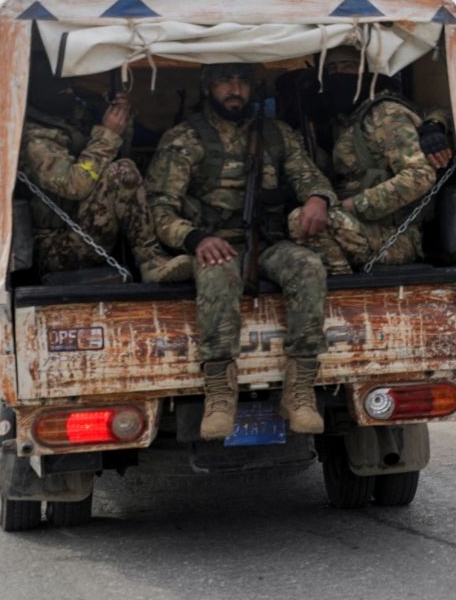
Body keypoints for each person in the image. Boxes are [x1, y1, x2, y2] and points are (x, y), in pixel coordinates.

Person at [146, 63, 337, 440]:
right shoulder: (185, 139)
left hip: (266, 241)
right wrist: (196, 238)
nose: (235, 89)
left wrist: (318, 198)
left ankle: (299, 391)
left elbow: (309, 175)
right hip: (214, 243)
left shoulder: (275, 134)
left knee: (308, 265)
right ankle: (220, 392)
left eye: (243, 81)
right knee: (218, 272)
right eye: (225, 80)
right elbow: (159, 207)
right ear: (208, 87)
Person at [19, 49, 191, 283]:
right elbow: (75, 185)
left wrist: (122, 123)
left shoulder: (71, 120)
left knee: (125, 169)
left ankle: (152, 260)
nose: (70, 93)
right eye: (62, 88)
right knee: (122, 170)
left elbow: (110, 169)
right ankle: (150, 259)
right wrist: (108, 134)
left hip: (82, 231)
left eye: (71, 86)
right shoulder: (34, 140)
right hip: (53, 248)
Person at [292, 45, 439, 276]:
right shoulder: (345, 120)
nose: (339, 75)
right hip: (359, 227)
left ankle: (341, 286)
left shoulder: (385, 113)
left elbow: (420, 176)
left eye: (348, 67)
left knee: (300, 220)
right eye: (332, 69)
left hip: (395, 236)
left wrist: (356, 205)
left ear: (367, 74)